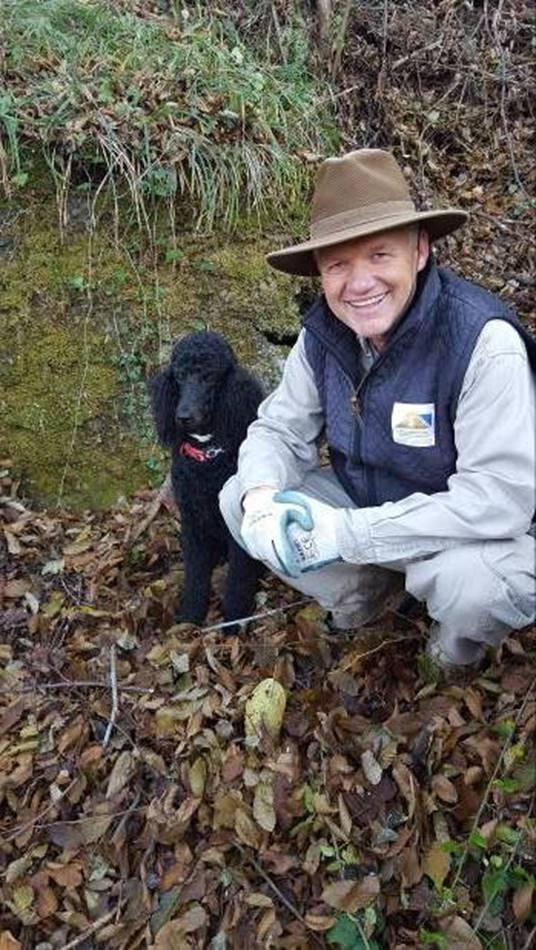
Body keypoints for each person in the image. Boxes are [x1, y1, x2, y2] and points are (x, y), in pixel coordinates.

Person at [219, 149, 536, 675]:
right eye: (338, 263)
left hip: (461, 532)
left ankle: (452, 655)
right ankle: (369, 603)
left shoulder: (483, 343)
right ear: (319, 273)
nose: (359, 283)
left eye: (380, 256)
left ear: (420, 252)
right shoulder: (323, 335)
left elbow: (499, 499)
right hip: (366, 507)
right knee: (238, 499)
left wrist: (348, 534)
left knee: (477, 588)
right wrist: (261, 498)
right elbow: (278, 429)